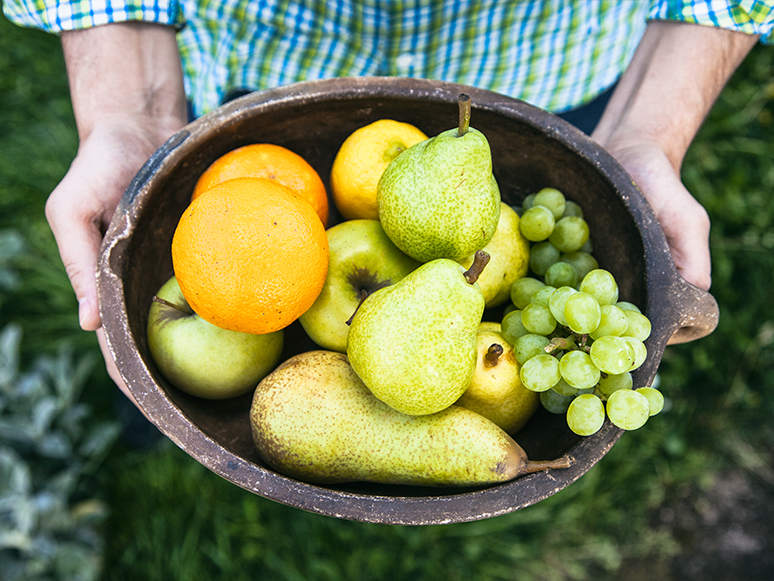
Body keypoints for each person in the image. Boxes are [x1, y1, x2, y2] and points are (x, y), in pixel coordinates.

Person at [4, 0, 773, 406]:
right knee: (205, 271)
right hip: (267, 75)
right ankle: (169, 407)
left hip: (537, 83)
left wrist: (649, 126)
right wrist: (129, 100)